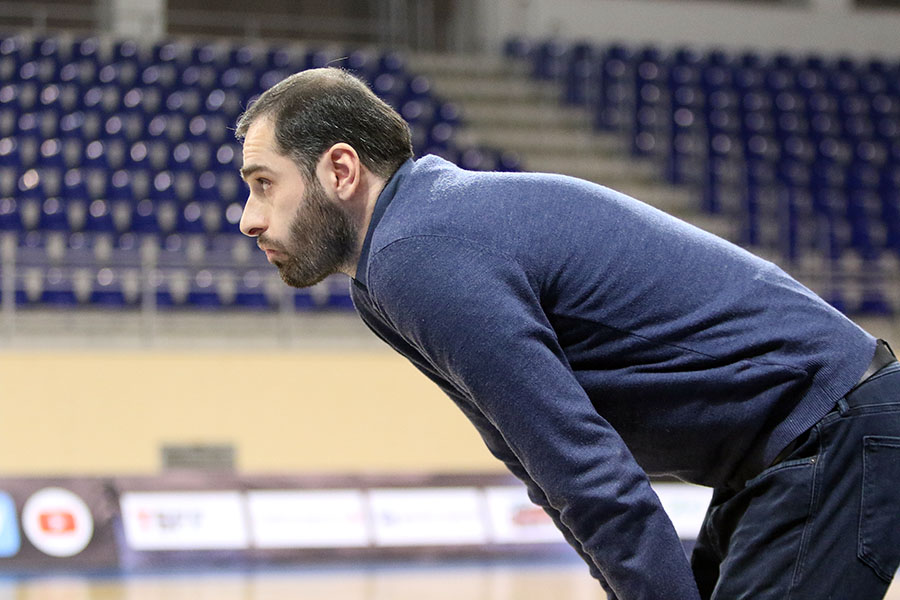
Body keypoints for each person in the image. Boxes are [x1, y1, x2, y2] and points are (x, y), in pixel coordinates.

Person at [234, 67, 900, 600]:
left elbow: (584, 468)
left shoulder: (420, 253)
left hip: (827, 425)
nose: (249, 219)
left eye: (264, 185)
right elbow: (534, 464)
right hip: (792, 442)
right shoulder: (389, 273)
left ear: (341, 171)